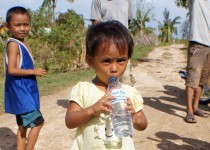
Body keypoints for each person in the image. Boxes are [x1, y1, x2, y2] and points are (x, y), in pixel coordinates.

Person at [65, 21, 147, 150]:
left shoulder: (130, 92)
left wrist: (134, 117)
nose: (114, 68)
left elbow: (142, 124)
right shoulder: (83, 89)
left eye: (121, 60)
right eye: (107, 61)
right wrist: (92, 110)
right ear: (91, 61)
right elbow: (70, 121)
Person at [4, 6, 46, 149]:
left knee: (23, 125)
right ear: (7, 26)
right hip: (22, 93)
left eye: (25, 24)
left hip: (25, 91)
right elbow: (12, 70)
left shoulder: (22, 43)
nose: (22, 28)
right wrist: (33, 71)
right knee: (38, 122)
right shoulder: (13, 44)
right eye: (17, 25)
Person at [90, 0, 135, 86]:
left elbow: (128, 21)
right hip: (105, 48)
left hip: (122, 45)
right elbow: (95, 24)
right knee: (105, 80)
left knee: (125, 78)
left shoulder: (127, 1)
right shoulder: (97, 1)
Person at [184, 0, 210, 123]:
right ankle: (189, 110)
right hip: (197, 43)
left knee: (202, 80)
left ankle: (195, 107)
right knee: (191, 79)